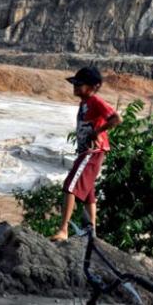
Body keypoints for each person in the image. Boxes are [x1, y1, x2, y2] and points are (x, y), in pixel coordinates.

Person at [51, 66, 122, 241]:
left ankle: (64, 229)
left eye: (79, 84)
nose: (75, 87)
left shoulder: (96, 101)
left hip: (92, 150)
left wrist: (98, 132)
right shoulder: (85, 103)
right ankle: (92, 232)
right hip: (87, 151)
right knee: (89, 193)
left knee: (70, 185)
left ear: (93, 86)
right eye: (75, 83)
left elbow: (116, 118)